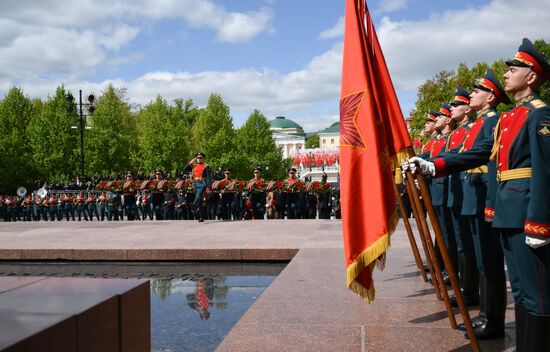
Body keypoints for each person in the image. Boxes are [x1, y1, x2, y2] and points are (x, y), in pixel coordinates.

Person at [407, 38, 550, 351]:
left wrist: (539, 222)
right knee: (524, 293)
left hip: (526, 214)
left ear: (531, 76)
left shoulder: (539, 115)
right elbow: (479, 153)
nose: (508, 72)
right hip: (507, 212)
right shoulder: (510, 118)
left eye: (516, 68)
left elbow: (545, 172)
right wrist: (431, 165)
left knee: (537, 295)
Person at [453, 68, 511, 339]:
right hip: (471, 194)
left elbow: (484, 160)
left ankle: (493, 320)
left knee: (489, 258)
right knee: (480, 257)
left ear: (490, 98)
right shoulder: (478, 123)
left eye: (477, 91)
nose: (471, 95)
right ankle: (485, 315)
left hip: (482, 196)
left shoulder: (491, 122)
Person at [446, 89, 479, 308]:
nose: (449, 111)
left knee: (468, 245)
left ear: (466, 109)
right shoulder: (456, 133)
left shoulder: (474, 128)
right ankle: (463, 286)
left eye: (454, 106)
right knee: (456, 241)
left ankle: (469, 292)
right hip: (454, 191)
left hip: (471, 191)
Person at [183, 152, 212, 222]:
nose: (199, 159)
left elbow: (208, 177)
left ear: (203, 159)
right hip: (196, 183)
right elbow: (185, 170)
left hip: (202, 183)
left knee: (199, 195)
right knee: (199, 200)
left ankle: (193, 205)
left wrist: (208, 186)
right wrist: (190, 162)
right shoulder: (194, 166)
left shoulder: (206, 166)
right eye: (198, 158)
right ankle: (201, 217)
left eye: (200, 158)